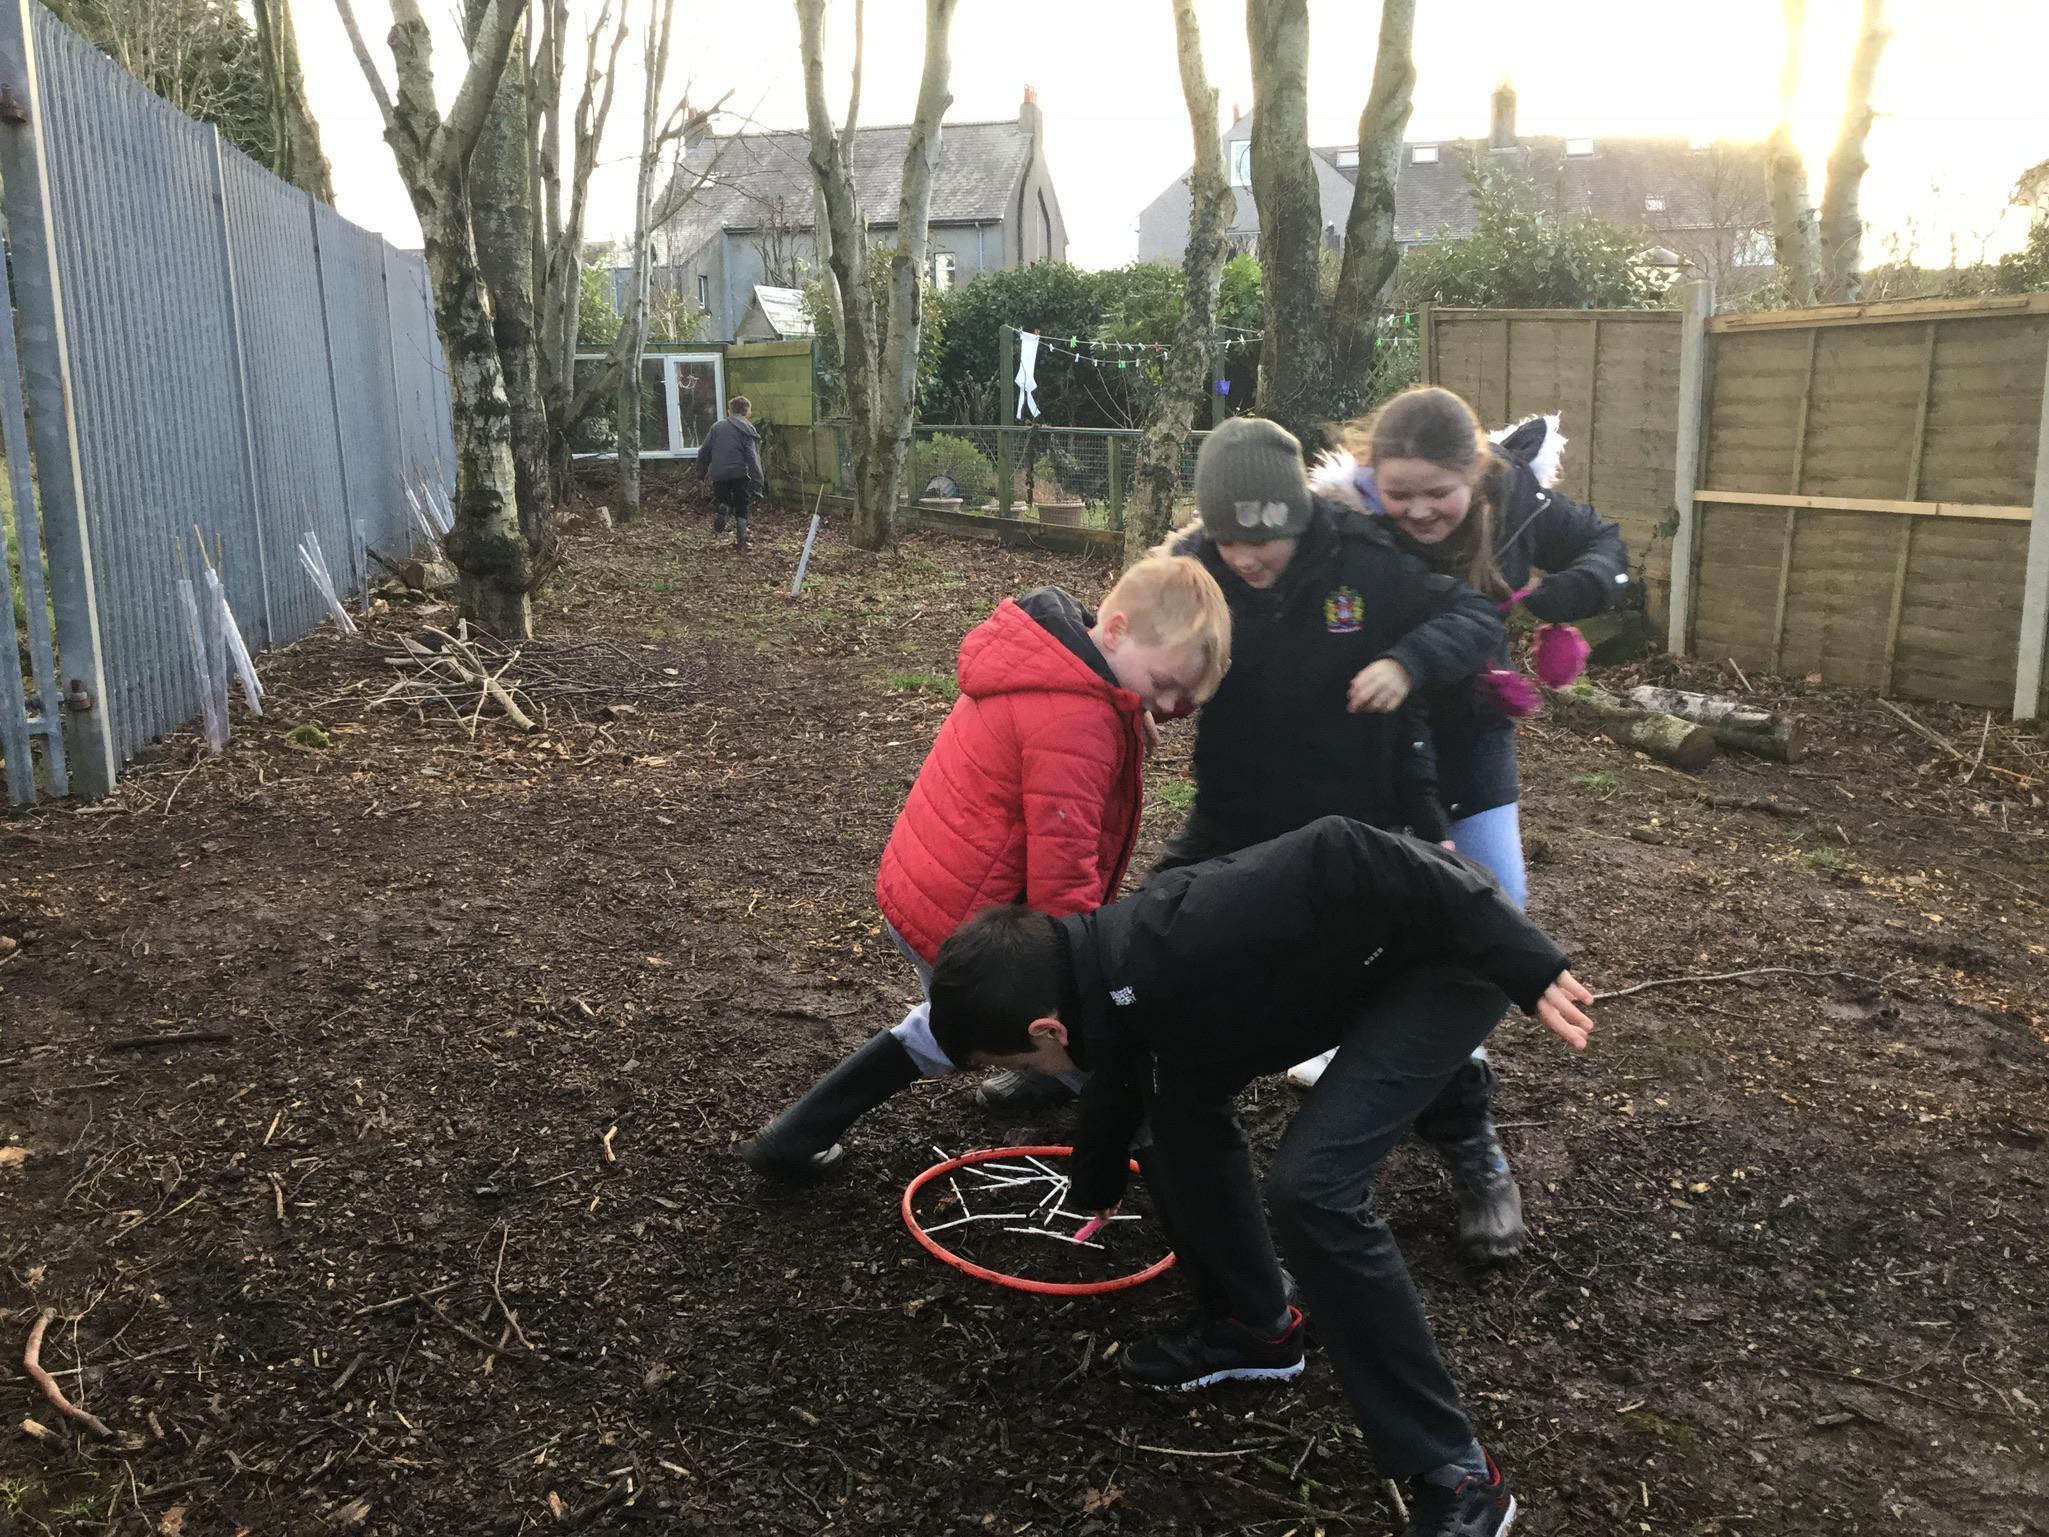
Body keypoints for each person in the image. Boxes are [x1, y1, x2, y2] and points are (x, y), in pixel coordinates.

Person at [928, 815, 1596, 1537]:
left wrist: (1524, 959)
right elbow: (1118, 1076)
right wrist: (1095, 1183)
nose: (1037, 1072)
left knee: (1312, 1189)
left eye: (1024, 1063)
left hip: (1447, 948)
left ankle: (1457, 1470)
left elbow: (1348, 845)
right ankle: (1256, 1327)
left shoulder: (1177, 937)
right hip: (1352, 968)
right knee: (1178, 1112)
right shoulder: (1095, 978)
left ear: (1046, 1030)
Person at [974, 416, 1505, 1118]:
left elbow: (1476, 616)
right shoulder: (1193, 563)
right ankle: (1073, 1064)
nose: (1246, 558)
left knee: (1388, 979)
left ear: (1300, 518)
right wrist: (1124, 698)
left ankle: (1461, 1129)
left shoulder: (1363, 557)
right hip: (1231, 810)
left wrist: (1407, 661)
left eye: (1264, 540)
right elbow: (1118, 630)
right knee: (1128, 944)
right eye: (1230, 540)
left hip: (1350, 823)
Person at [738, 555, 1232, 1178]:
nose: (1169, 705)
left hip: (936, 887)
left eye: (1186, 698)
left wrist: (1132, 708)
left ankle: (798, 1136)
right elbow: (1062, 876)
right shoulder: (1076, 724)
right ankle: (1185, 1186)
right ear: (1114, 632)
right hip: (971, 918)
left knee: (955, 1029)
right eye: (1162, 684)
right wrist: (1085, 992)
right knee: (1101, 1056)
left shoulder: (1059, 664)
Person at [1288, 388, 1629, 1263]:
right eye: (1395, 492)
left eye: (1435, 492)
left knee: (1488, 915)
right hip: (1370, 736)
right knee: (1371, 926)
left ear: (1476, 472)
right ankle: (1362, 1126)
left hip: (1472, 727)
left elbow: (1603, 545)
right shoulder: (1339, 521)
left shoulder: (1517, 495)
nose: (1415, 511)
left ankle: (1468, 1140)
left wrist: (1576, 588)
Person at [697, 396, 765, 551]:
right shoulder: (747, 429)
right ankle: (741, 541)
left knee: (723, 497)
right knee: (741, 504)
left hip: (718, 472)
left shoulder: (717, 427)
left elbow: (704, 451)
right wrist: (757, 483)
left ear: (729, 411)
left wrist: (700, 472)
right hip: (739, 473)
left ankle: (723, 507)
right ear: (748, 412)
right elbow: (752, 457)